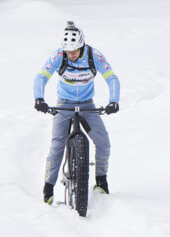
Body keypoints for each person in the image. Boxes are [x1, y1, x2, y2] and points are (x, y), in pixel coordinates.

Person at [33, 21, 121, 204]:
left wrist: (114, 101)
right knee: (57, 146)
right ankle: (48, 189)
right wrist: (39, 99)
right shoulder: (59, 55)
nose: (71, 55)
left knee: (104, 143)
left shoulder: (93, 55)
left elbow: (111, 77)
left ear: (82, 46)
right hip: (64, 105)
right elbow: (41, 76)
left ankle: (101, 182)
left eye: (74, 51)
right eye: (68, 52)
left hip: (87, 105)